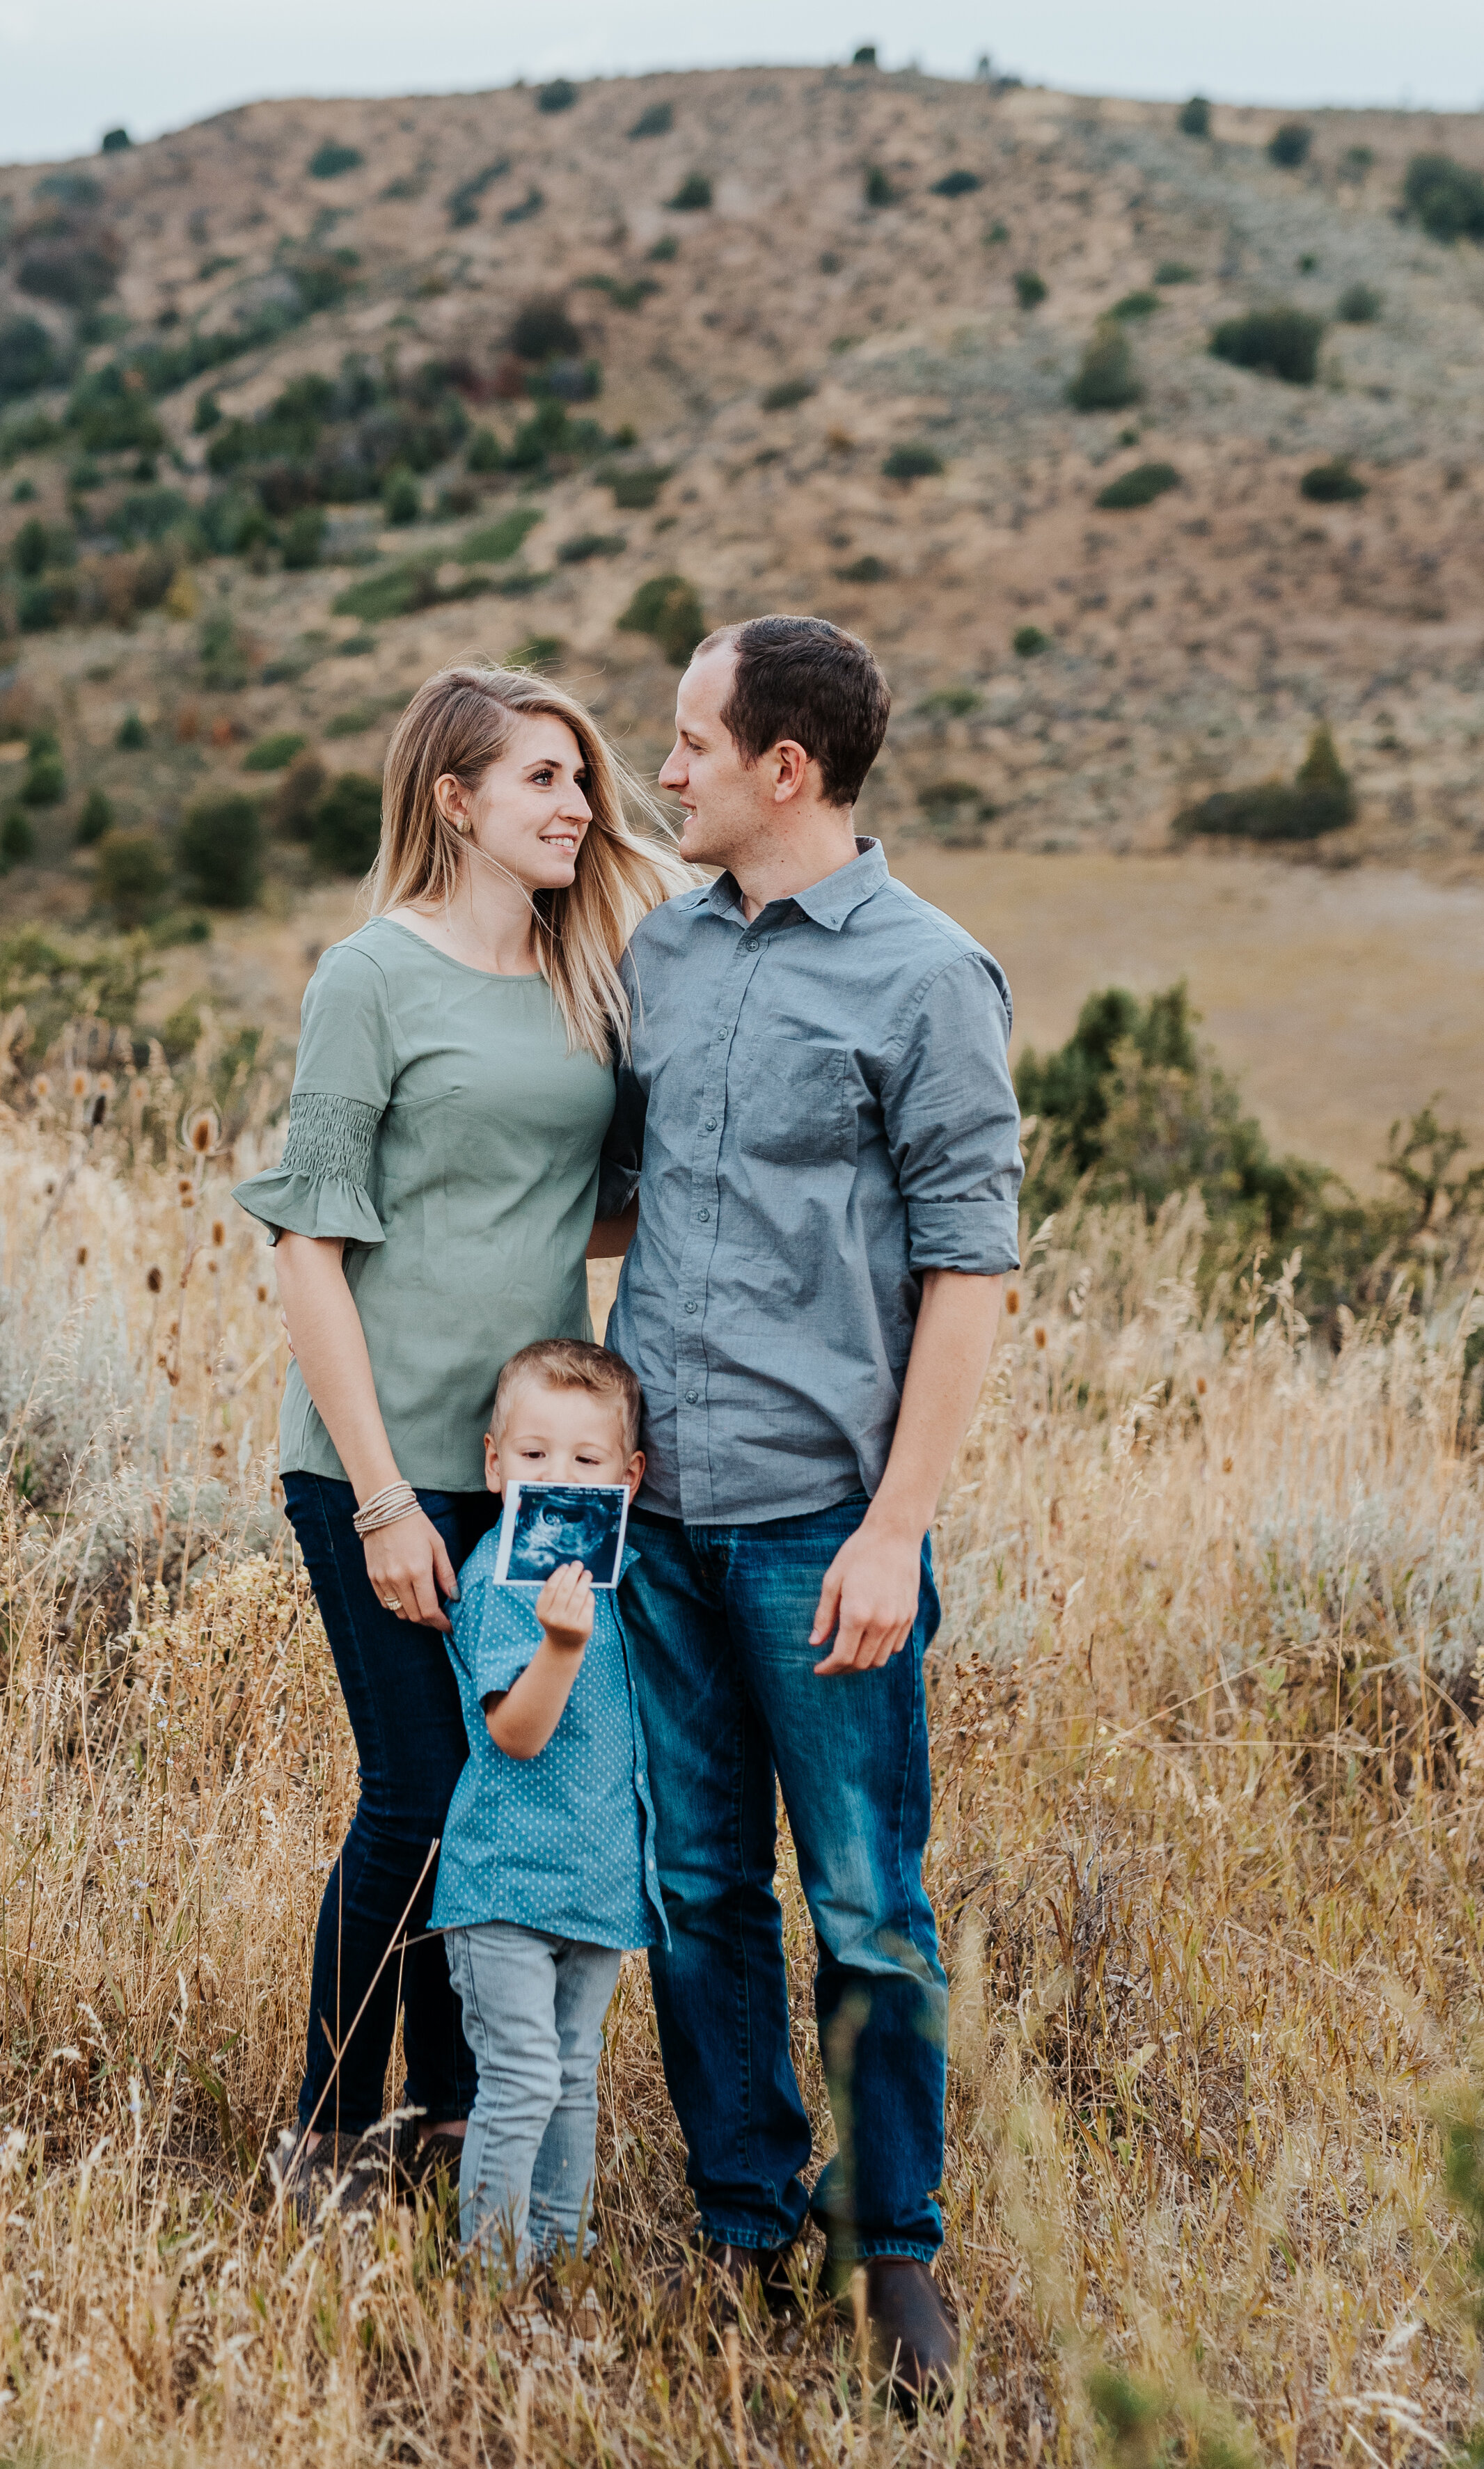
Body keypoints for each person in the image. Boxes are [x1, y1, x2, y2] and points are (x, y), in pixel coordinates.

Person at [599, 615, 1023, 2401]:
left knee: (861, 1898)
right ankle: (741, 2218)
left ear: (787, 768)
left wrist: (892, 1526)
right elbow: (617, 1197)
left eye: (691, 741)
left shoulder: (929, 977)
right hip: (651, 1517)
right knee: (697, 1887)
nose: (663, 770)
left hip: (815, 1528)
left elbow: (969, 1264)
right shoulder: (666, 955)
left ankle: (894, 2249)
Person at [232, 665, 684, 2207]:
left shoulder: (584, 976)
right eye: (543, 780)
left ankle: (451, 2115)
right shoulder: (369, 975)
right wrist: (375, 1502)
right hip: (379, 1459)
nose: (578, 806)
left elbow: (590, 1198)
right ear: (453, 801)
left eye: (582, 781)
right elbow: (306, 1245)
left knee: (499, 1796)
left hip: (532, 1468)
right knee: (419, 1791)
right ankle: (325, 2128)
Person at [431, 1339, 665, 2271]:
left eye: (585, 1460)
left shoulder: (617, 1578)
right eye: (533, 1457)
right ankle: (491, 2267)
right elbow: (516, 1733)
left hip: (597, 1880)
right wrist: (560, 1646)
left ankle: (561, 2247)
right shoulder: (502, 1579)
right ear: (494, 1464)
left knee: (574, 2077)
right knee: (523, 2077)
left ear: (629, 1476)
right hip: (505, 1885)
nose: (556, 1478)